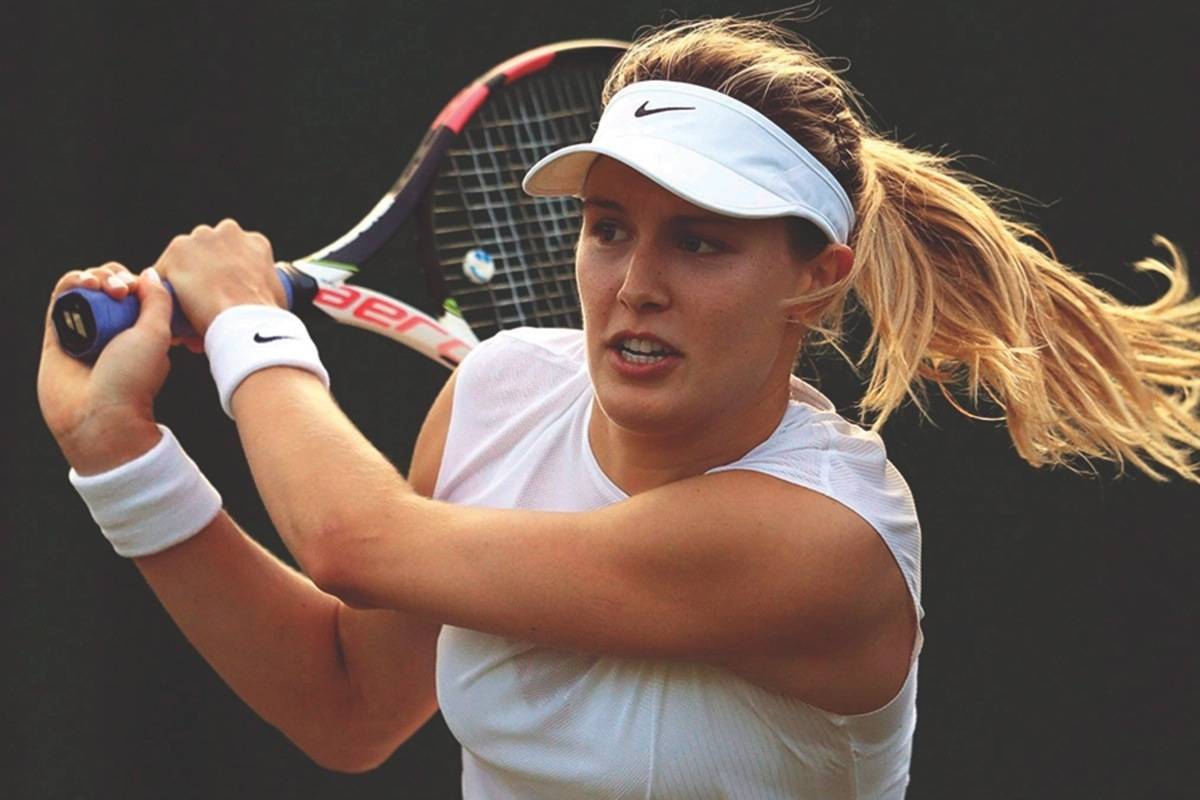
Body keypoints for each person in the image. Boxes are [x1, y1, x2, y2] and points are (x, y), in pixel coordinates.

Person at [37, 17, 1200, 799]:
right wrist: (120, 454)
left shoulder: (824, 537)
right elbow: (348, 702)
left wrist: (249, 321)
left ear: (817, 277)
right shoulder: (496, 397)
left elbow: (354, 540)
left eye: (699, 241)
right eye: (609, 229)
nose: (637, 282)